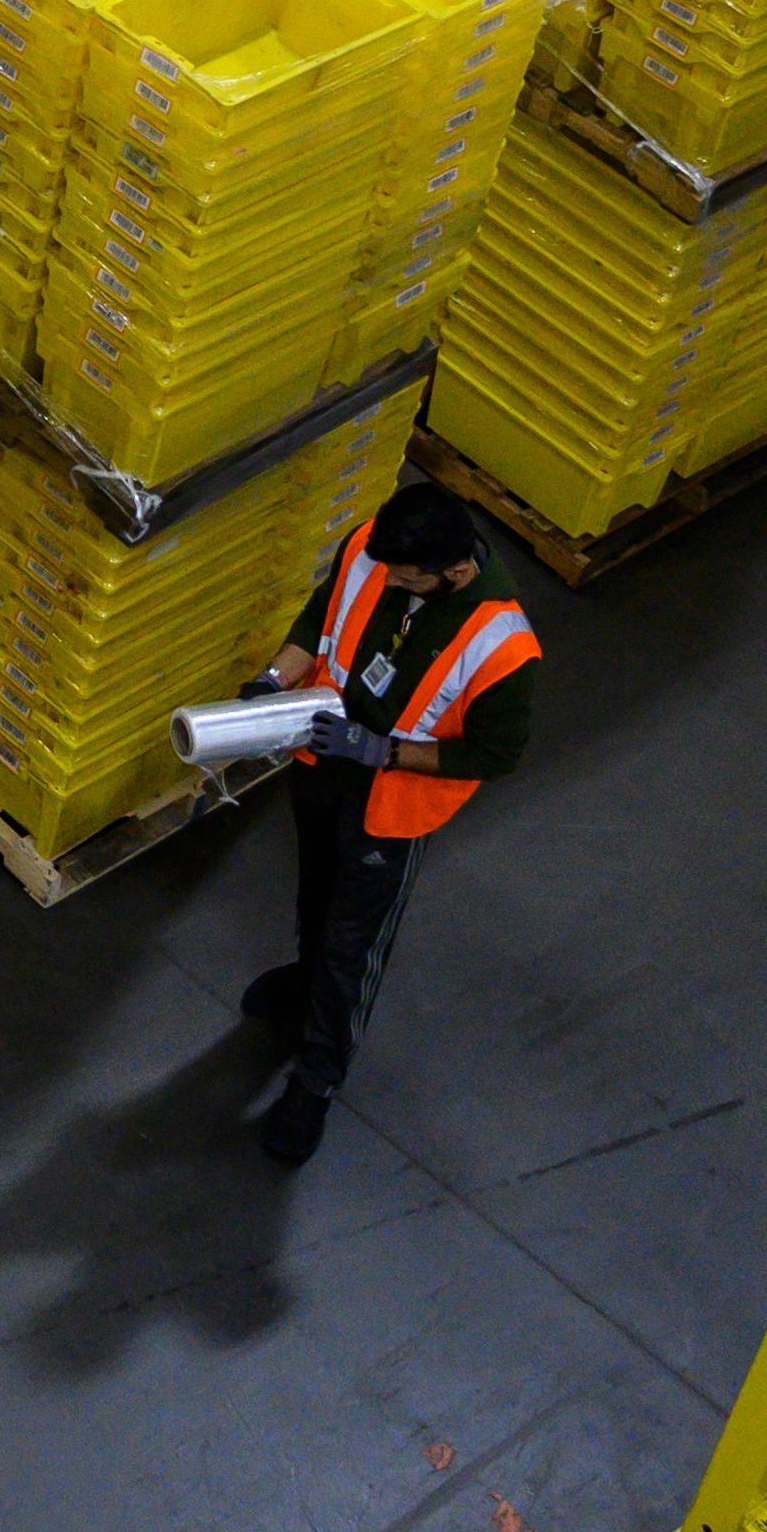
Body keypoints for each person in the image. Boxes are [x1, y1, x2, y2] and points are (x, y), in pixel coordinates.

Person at [236, 480, 539, 1169]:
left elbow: (495, 754)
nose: (389, 581)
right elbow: (322, 613)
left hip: (388, 805)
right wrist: (273, 681)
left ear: (453, 571)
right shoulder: (377, 544)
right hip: (322, 765)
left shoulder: (502, 648)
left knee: (353, 944)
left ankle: (314, 1082)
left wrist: (384, 752)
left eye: (406, 579)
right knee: (313, 892)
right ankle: (303, 979)